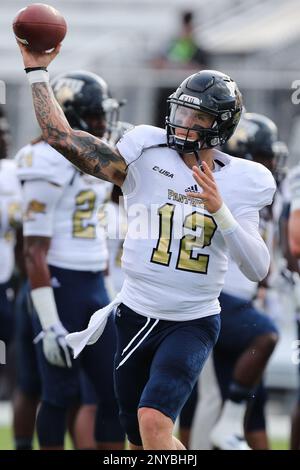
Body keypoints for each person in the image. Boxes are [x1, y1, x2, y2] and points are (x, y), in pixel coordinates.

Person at [17, 41, 275, 450]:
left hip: (192, 319)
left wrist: (220, 211)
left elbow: (258, 268)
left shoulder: (244, 179)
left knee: (154, 424)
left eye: (197, 115)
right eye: (181, 109)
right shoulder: (145, 151)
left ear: (221, 125)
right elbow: (60, 136)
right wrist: (36, 72)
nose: (183, 121)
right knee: (137, 440)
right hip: (134, 315)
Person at [15, 70, 125, 450]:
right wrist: (48, 322)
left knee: (113, 394)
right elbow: (33, 249)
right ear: (73, 116)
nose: (103, 124)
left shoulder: (94, 157)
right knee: (58, 394)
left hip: (94, 283)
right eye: (96, 116)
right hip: (59, 283)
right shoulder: (44, 160)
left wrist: (109, 291)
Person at [190, 113, 286, 450]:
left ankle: (228, 424)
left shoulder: (261, 196)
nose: (272, 162)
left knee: (247, 401)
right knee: (262, 338)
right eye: (264, 155)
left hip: (238, 299)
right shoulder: (217, 191)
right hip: (217, 297)